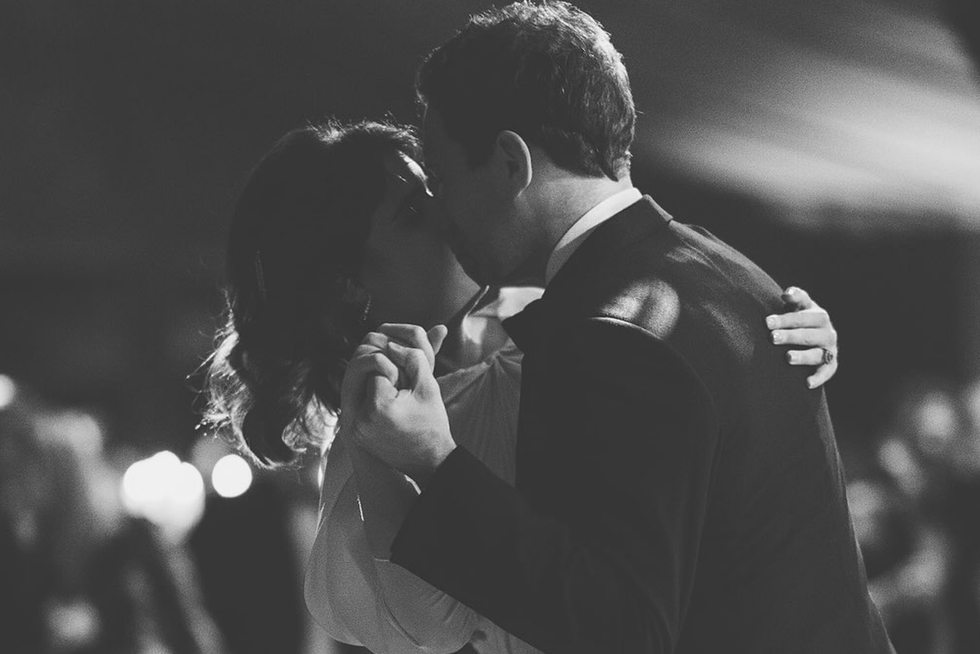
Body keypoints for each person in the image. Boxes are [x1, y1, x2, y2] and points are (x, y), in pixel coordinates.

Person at [339, 2, 894, 653]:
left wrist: (434, 461)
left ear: (510, 164)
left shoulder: (611, 332)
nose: (441, 211)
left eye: (441, 176)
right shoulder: (726, 269)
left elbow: (622, 629)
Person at [202, 116, 842, 654]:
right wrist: (409, 458)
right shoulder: (377, 437)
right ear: (349, 283)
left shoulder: (544, 325)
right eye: (414, 213)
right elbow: (435, 619)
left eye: (437, 191)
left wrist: (771, 334)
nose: (448, 214)